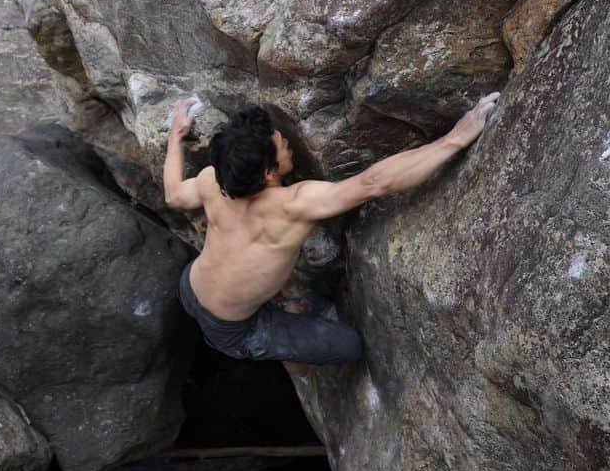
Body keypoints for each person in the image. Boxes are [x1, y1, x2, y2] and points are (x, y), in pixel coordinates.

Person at [163, 94, 499, 365]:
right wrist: (455, 139)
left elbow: (174, 194)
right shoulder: (295, 204)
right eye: (282, 145)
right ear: (268, 172)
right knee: (348, 345)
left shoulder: (213, 179)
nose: (287, 143)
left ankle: (278, 304)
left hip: (190, 287)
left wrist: (175, 136)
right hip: (236, 330)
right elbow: (373, 183)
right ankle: (278, 311)